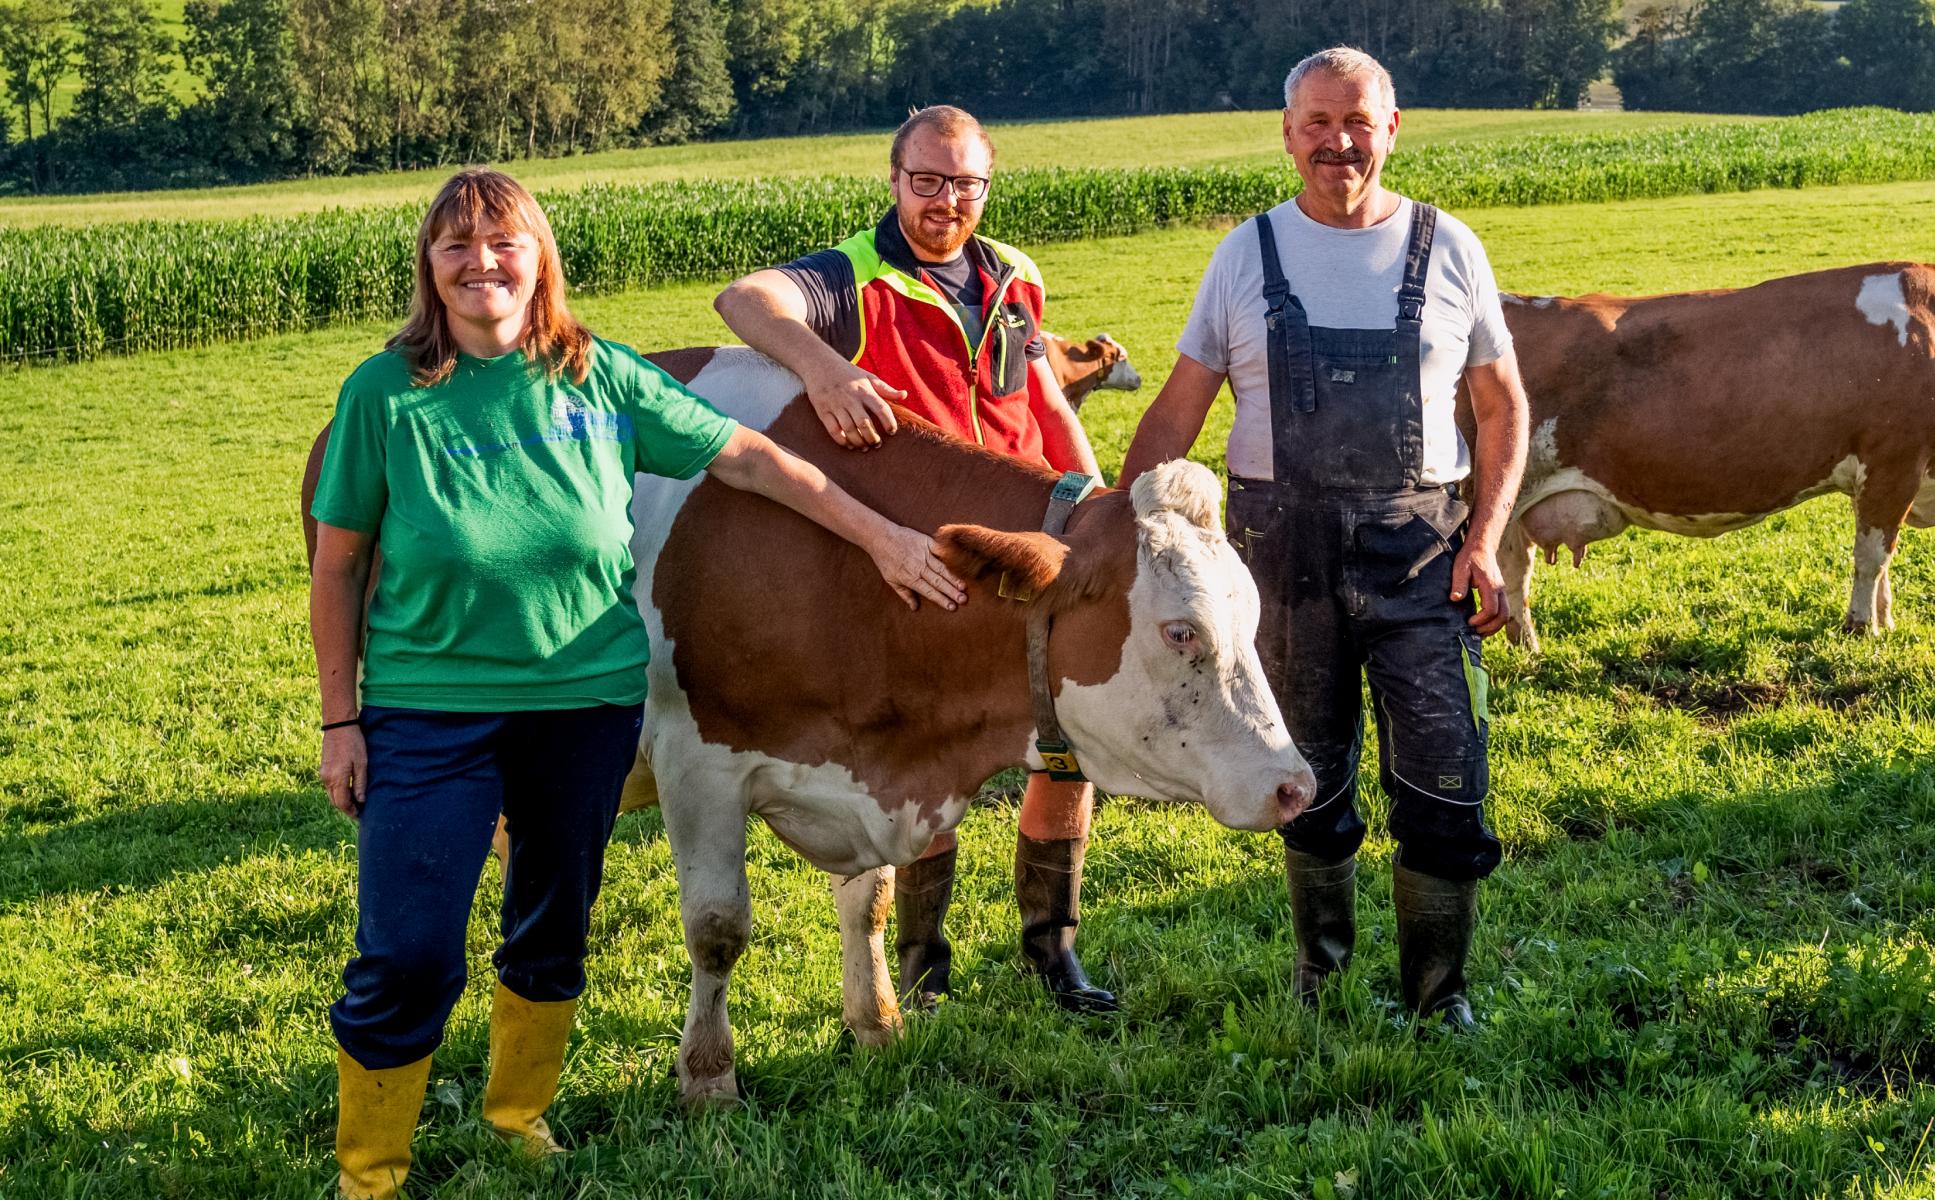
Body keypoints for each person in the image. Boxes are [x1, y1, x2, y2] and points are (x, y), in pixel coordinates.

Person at [310, 167, 965, 1199]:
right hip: (429, 712)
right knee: (409, 953)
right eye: (456, 246)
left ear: (540, 259)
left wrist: (882, 537)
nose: (482, 263)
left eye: (503, 242)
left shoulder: (597, 376)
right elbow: (339, 564)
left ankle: (516, 1116)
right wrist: (340, 720)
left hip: (583, 710)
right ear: (429, 270)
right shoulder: (385, 394)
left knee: (553, 926)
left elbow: (750, 459)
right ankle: (369, 1170)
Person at [1119, 48, 1530, 1029]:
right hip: (1280, 566)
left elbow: (1503, 409)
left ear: (1392, 129)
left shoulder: (1451, 247)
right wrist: (1121, 527)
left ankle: (1441, 996)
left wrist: (1491, 536)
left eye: (1356, 122)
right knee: (1304, 778)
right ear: (1289, 132)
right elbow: (1177, 411)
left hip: (1425, 556)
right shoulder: (1244, 256)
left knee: (1444, 778)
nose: (1337, 142)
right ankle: (1326, 981)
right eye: (1316, 122)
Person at [714, 105, 1118, 1014]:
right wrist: (825, 369)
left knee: (1065, 744)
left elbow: (1041, 392)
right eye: (926, 181)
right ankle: (924, 960)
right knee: (933, 752)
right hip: (925, 553)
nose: (946, 201)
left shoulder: (1014, 273)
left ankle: (1052, 949)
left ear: (986, 184)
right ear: (893, 180)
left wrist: (1093, 499)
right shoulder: (854, 276)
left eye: (965, 182)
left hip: (1029, 540)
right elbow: (744, 301)